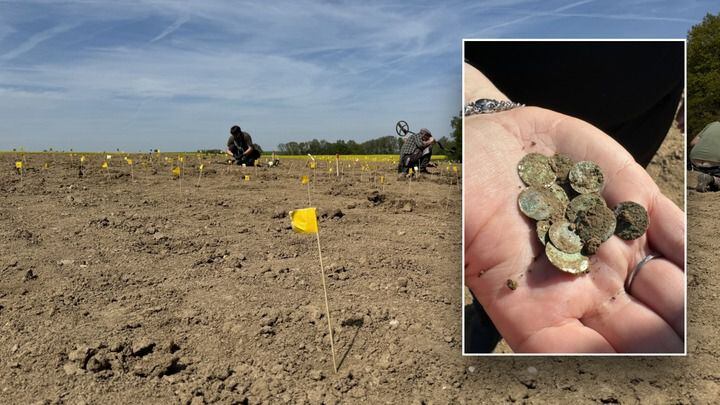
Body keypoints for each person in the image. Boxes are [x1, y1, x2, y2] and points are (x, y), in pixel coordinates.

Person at [463, 48, 685, 354]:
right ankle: (485, 324)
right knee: (501, 276)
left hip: (637, 124)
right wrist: (476, 100)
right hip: (519, 117)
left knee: (622, 194)